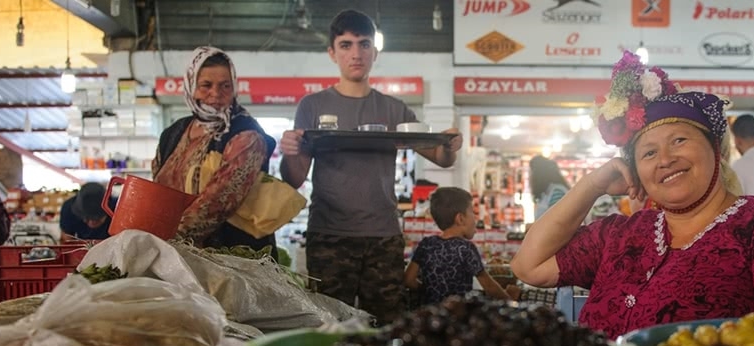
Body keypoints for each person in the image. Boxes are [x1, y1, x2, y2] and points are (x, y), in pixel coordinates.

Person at [511, 51, 754, 340]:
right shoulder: (621, 234)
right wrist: (592, 185)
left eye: (680, 141)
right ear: (636, 170)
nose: (666, 160)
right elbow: (529, 266)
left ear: (716, 148)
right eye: (648, 153)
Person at [278, 9, 461, 322]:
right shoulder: (313, 106)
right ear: (332, 52)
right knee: (329, 326)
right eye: (346, 45)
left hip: (383, 237)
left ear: (375, 52)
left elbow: (442, 158)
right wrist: (291, 150)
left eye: (364, 44)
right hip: (329, 235)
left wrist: (450, 144)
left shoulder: (394, 109)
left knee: (386, 327)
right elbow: (294, 178)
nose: (356, 53)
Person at [153, 46, 278, 251]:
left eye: (225, 86)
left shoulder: (246, 135)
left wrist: (163, 239)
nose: (216, 93)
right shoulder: (173, 133)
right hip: (177, 252)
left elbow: (218, 204)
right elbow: (156, 190)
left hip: (232, 257)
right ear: (191, 86)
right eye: (206, 85)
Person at [404, 187, 520, 305]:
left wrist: (429, 291)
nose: (475, 219)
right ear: (460, 218)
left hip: (430, 315)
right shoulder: (465, 249)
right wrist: (511, 301)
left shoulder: (426, 244)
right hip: (457, 315)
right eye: (472, 213)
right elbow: (489, 287)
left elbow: (409, 280)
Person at [529, 155, 570, 220]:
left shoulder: (557, 192)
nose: (530, 176)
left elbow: (556, 221)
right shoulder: (547, 193)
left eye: (531, 172)